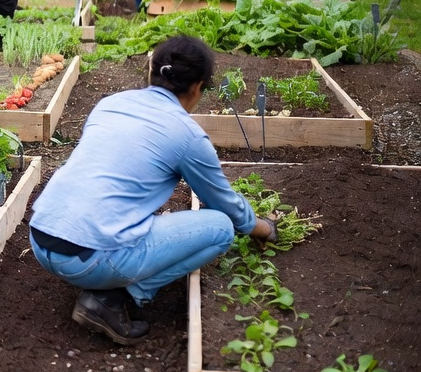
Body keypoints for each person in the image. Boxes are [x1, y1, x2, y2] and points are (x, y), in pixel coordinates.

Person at [28, 35, 278, 345]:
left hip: (41, 236)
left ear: (152, 71)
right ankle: (113, 299)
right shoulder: (188, 136)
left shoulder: (111, 104)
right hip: (87, 260)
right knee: (221, 229)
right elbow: (225, 205)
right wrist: (264, 228)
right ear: (198, 87)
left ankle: (107, 286)